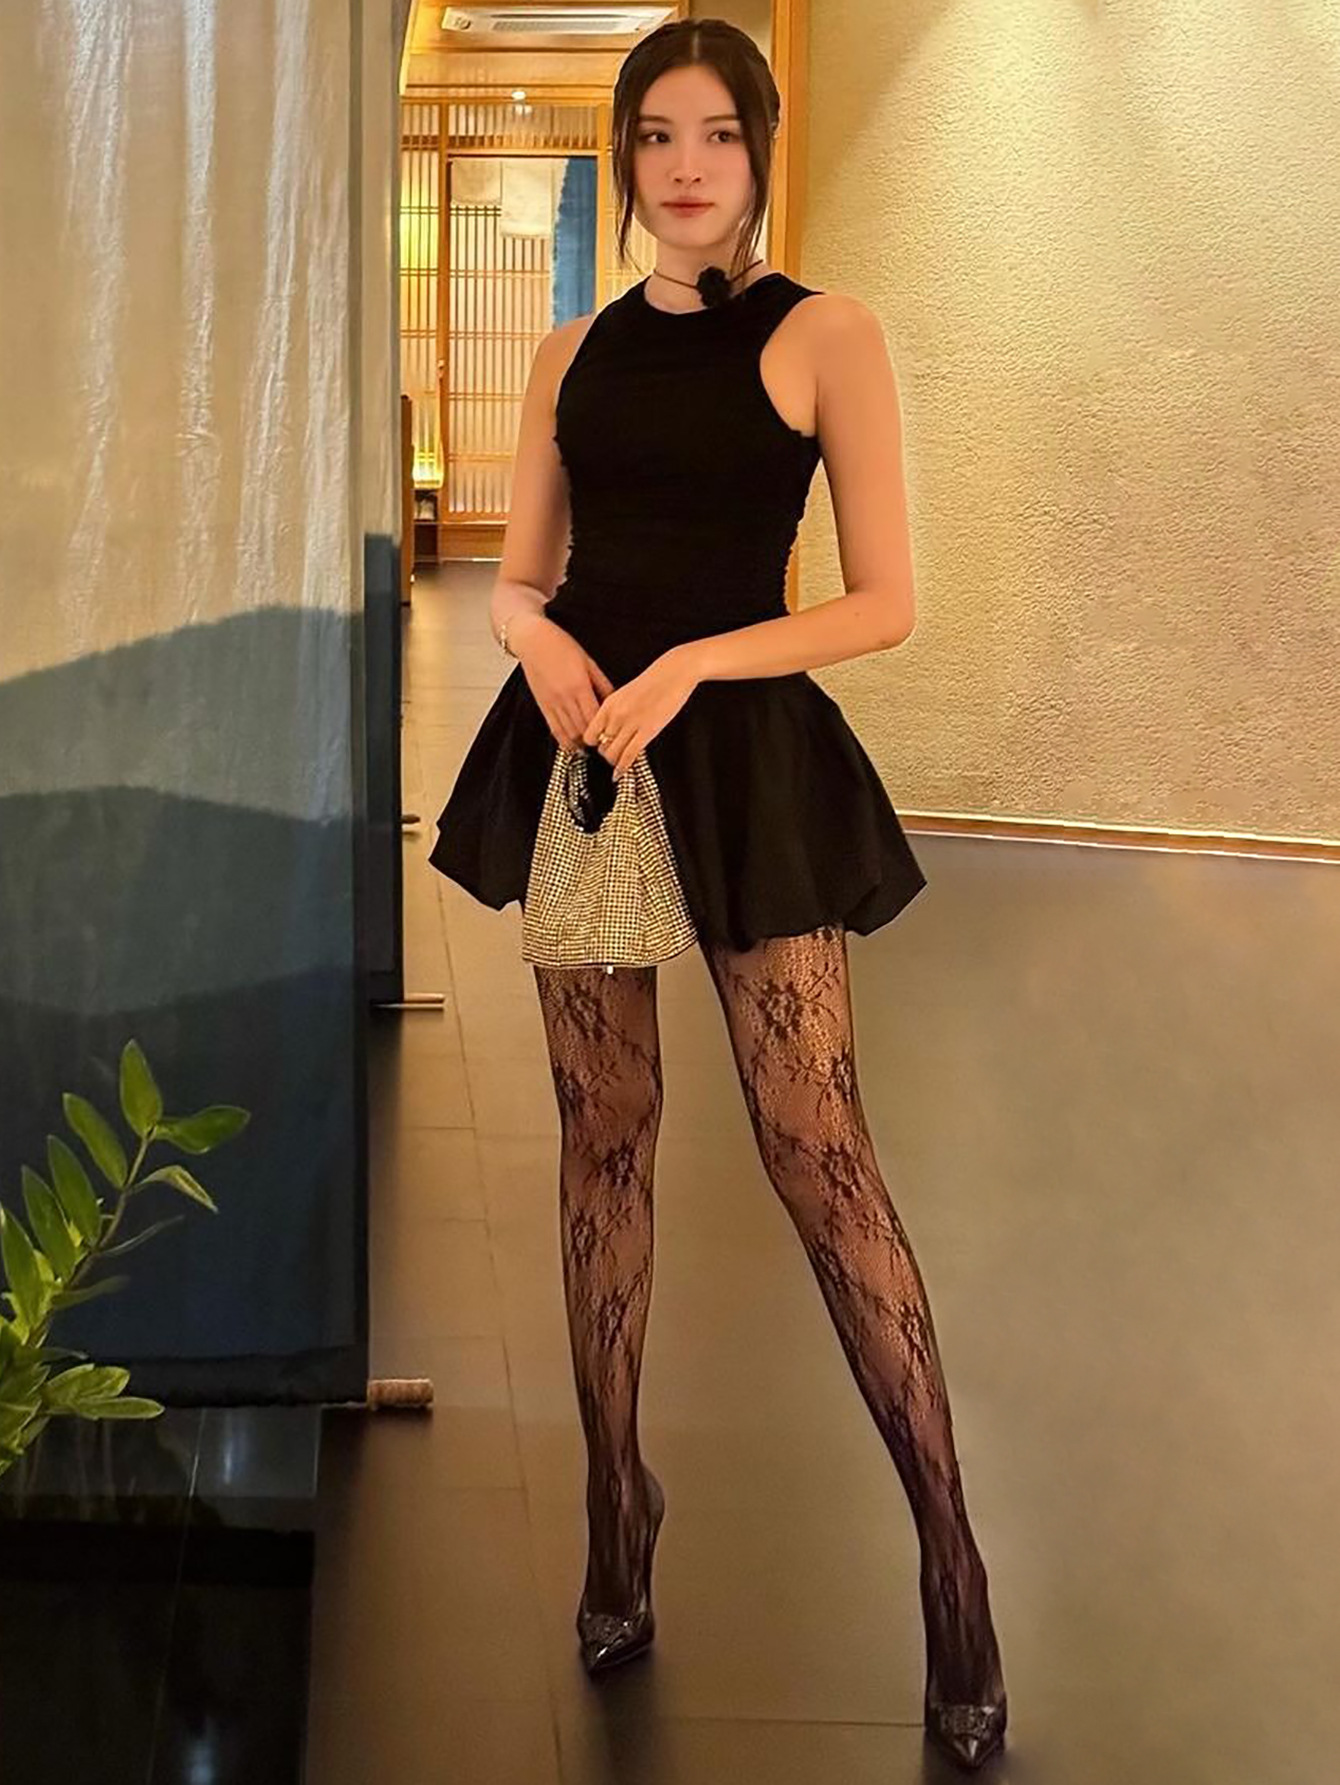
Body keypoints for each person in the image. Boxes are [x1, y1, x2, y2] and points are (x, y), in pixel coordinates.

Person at [428, 17, 1007, 1773]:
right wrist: (534, 641)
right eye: (657, 135)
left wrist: (693, 661)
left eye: (719, 135)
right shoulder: (570, 352)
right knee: (602, 1140)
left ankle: (952, 1553)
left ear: (759, 151)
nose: (687, 166)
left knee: (818, 1148)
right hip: (587, 755)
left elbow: (883, 599)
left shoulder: (828, 334)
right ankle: (616, 1505)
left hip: (744, 756)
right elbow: (522, 577)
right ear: (626, 156)